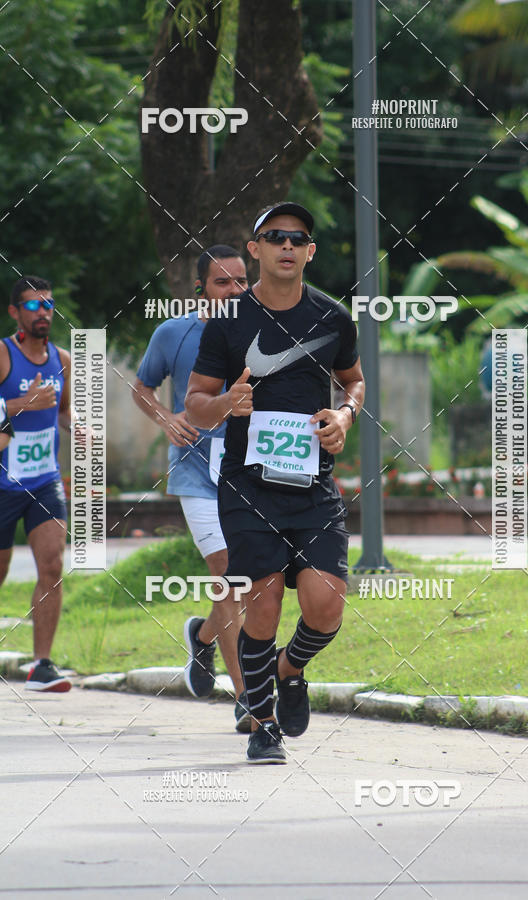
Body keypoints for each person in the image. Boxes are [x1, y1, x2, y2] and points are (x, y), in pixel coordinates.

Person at [186, 202, 365, 763]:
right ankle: (263, 723)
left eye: (298, 238)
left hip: (313, 487)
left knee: (326, 604)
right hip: (247, 486)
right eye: (275, 236)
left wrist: (343, 416)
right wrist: (224, 403)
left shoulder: (333, 318)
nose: (288, 245)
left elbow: (354, 382)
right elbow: (195, 406)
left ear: (310, 252)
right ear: (256, 249)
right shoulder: (229, 321)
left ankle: (291, 669)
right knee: (261, 607)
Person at [133, 246, 251, 731]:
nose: (235, 291)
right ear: (201, 288)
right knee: (226, 573)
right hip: (195, 470)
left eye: (243, 281)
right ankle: (248, 696)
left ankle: (202, 637)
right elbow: (143, 387)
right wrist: (166, 419)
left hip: (250, 468)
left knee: (249, 578)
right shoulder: (173, 332)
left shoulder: (262, 330)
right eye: (223, 282)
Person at [0, 276, 72, 691]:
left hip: (44, 480)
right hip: (2, 482)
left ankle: (41, 665)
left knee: (52, 565)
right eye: (33, 306)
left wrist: (77, 427)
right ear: (15, 313)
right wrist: (23, 403)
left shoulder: (61, 358)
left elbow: (63, 411)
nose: (43, 312)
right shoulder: (3, 354)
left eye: (48, 304)